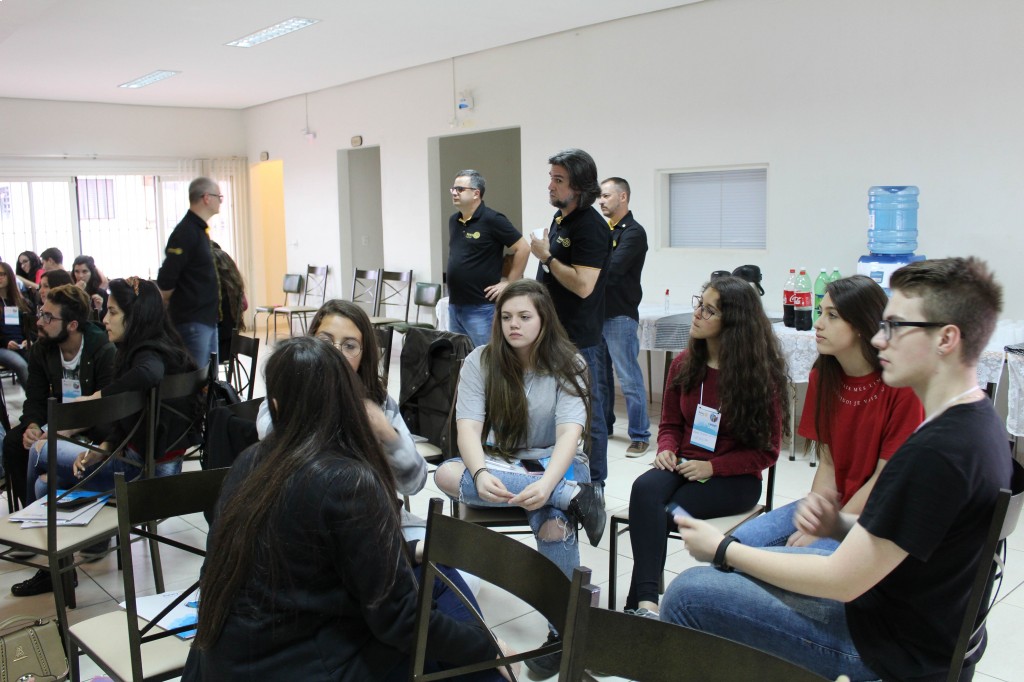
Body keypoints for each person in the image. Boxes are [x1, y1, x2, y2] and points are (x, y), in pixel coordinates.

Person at [661, 257, 1011, 682]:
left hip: (885, 647)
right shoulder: (976, 421)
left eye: (895, 326)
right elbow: (903, 534)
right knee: (735, 571)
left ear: (946, 339)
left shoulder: (938, 451)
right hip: (899, 615)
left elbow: (843, 579)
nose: (879, 340)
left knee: (688, 593)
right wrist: (836, 523)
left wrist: (722, 549)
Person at [186, 337, 514, 681]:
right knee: (457, 648)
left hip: (224, 660)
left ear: (277, 406)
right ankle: (494, 664)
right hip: (297, 664)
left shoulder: (250, 462)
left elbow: (310, 559)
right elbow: (399, 620)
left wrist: (406, 550)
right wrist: (486, 648)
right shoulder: (346, 480)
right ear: (350, 403)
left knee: (432, 578)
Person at [434, 278, 605, 678]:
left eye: (524, 316)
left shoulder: (570, 363)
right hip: (502, 462)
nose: (514, 324)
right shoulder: (480, 360)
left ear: (544, 319)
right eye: (507, 317)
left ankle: (562, 634)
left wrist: (547, 485)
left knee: (553, 527)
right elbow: (468, 429)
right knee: (445, 473)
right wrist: (479, 471)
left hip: (556, 462)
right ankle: (572, 496)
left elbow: (569, 435)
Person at [623, 275, 789, 620]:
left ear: (734, 323)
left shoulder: (760, 376)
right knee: (644, 489)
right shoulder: (684, 363)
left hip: (734, 478)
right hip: (685, 462)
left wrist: (713, 467)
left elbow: (767, 452)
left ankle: (638, 603)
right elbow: (669, 424)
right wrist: (666, 448)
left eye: (709, 310)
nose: (697, 313)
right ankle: (647, 605)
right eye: (700, 304)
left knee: (663, 511)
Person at [732, 275, 923, 550]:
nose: (818, 323)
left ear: (862, 324)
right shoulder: (822, 377)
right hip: (837, 503)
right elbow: (829, 464)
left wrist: (829, 528)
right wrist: (815, 520)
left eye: (832, 316)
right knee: (738, 543)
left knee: (796, 563)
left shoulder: (901, 385)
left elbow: (885, 478)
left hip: (881, 514)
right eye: (821, 312)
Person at [255, 299, 428, 520]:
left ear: (363, 355)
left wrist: (388, 436)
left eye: (350, 346)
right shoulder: (288, 390)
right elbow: (268, 434)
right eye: (325, 340)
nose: (335, 353)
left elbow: (415, 482)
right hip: (299, 515)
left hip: (367, 514)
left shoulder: (379, 403)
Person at [6, 284, 116, 596]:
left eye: (47, 317)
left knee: (44, 458)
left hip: (93, 430)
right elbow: (35, 398)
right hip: (54, 424)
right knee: (16, 443)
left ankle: (61, 537)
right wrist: (31, 425)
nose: (39, 321)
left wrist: (64, 429)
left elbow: (108, 413)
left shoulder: (102, 349)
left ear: (71, 325)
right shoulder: (42, 349)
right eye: (41, 313)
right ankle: (36, 525)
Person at [529, 148, 611, 496]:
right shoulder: (560, 218)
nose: (551, 186)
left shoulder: (591, 227)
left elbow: (582, 285)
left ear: (579, 186)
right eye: (551, 178)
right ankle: (557, 475)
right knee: (552, 411)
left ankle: (595, 485)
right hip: (550, 333)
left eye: (559, 180)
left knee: (590, 416)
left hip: (579, 338)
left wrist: (546, 257)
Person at [597, 176, 651, 457]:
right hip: (597, 312)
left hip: (619, 314)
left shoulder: (633, 232)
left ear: (623, 197)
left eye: (606, 195)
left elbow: (614, 270)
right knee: (599, 377)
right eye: (600, 196)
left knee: (628, 378)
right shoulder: (602, 230)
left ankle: (640, 435)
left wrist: (586, 272)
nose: (601, 201)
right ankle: (604, 426)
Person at [446, 169, 530, 347]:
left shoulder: (492, 219)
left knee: (486, 357)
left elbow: (523, 248)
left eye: (460, 189)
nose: (454, 193)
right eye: (453, 189)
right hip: (454, 305)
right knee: (459, 357)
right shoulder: (454, 221)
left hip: (481, 307)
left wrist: (509, 282)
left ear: (476, 193)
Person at [157, 177, 221, 366]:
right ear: (206, 198)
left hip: (206, 320)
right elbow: (167, 279)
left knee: (209, 377)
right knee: (196, 376)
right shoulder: (186, 232)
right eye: (219, 197)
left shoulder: (199, 230)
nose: (220, 201)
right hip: (193, 321)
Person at [211, 243, 247, 361]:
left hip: (222, 348)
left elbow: (226, 330)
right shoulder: (232, 291)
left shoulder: (224, 295)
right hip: (225, 345)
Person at [0, 262, 34, 387]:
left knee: (39, 362)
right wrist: (6, 343)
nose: (0, 277)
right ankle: (34, 397)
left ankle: (46, 395)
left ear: (9, 276)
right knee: (20, 365)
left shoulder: (21, 302)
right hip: (3, 347)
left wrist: (28, 340)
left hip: (22, 344)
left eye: (2, 274)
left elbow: (31, 327)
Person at [72, 255, 108, 320]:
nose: (80, 276)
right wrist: (75, 292)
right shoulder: (69, 291)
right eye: (77, 271)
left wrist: (99, 309)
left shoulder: (101, 293)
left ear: (91, 272)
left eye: (84, 271)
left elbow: (106, 318)